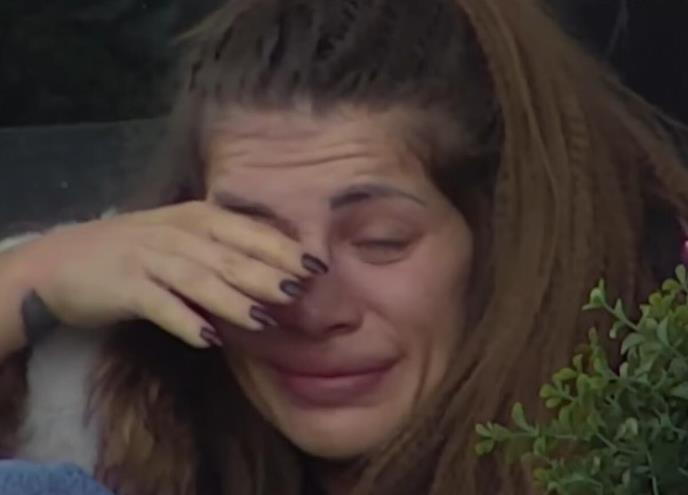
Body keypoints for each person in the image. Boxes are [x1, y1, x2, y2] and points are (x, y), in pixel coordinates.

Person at [1, 0, 688, 494]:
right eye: (251, 240)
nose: (312, 309)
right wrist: (31, 282)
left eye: (381, 242)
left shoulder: (649, 435)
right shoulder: (110, 423)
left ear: (508, 237)